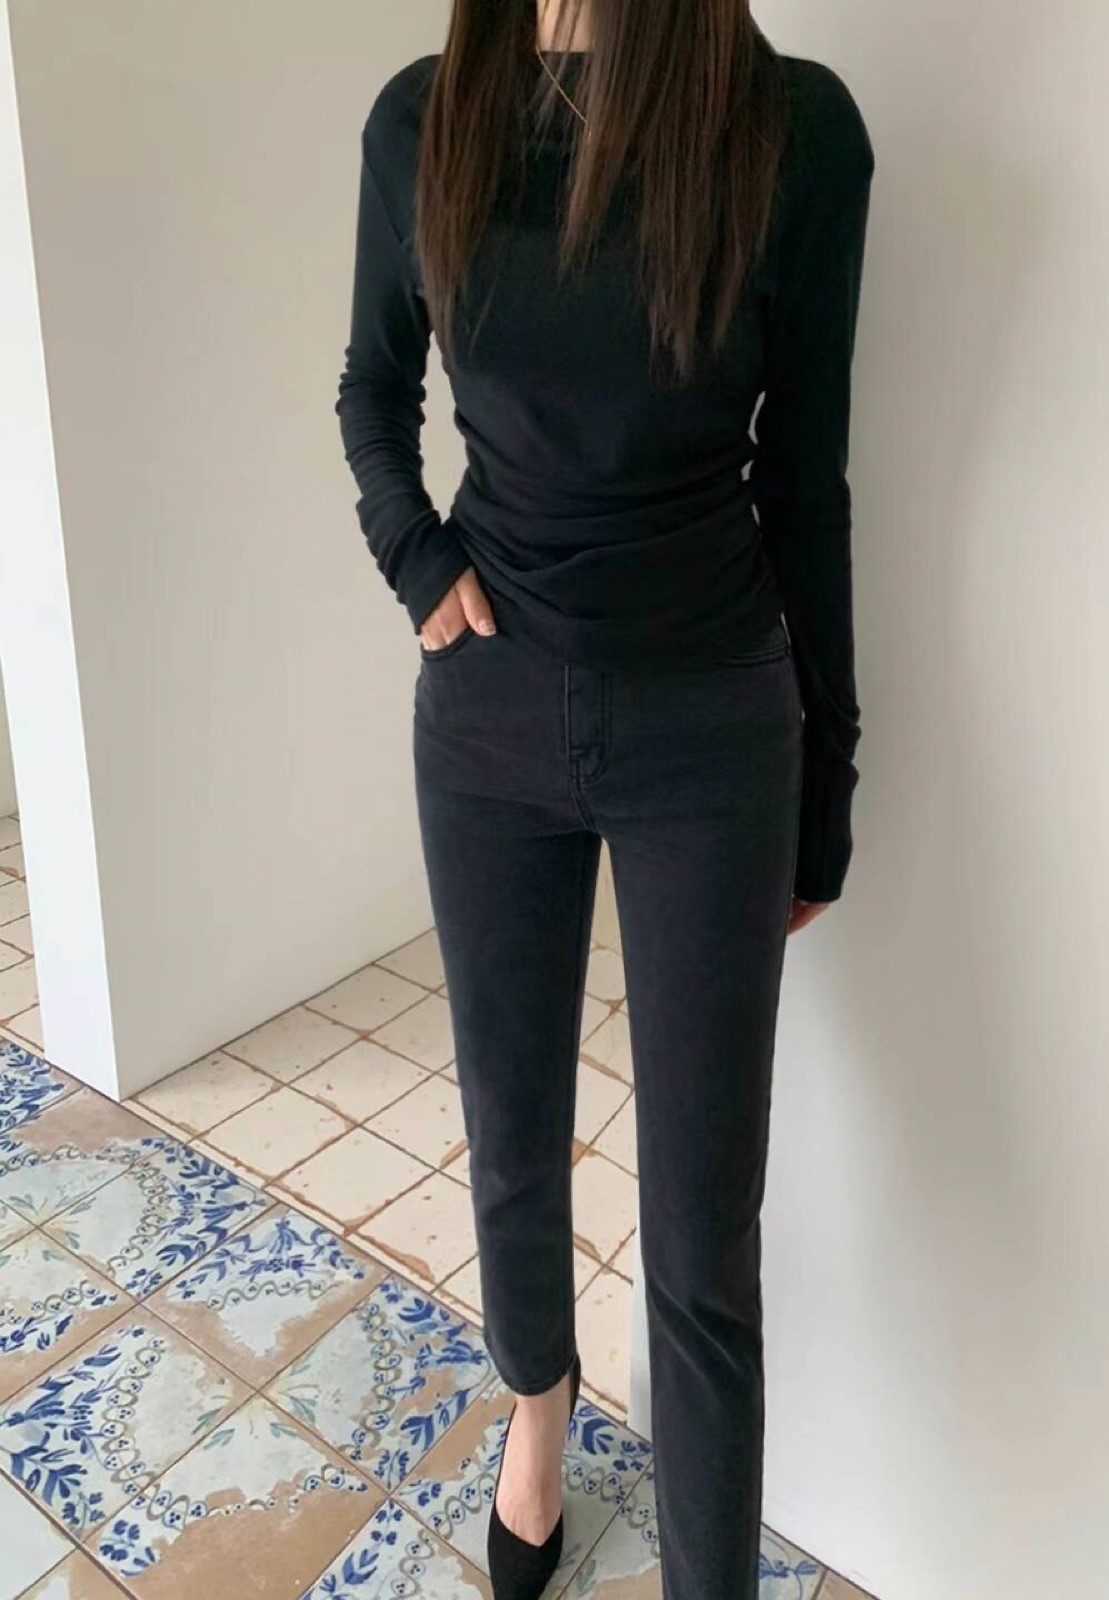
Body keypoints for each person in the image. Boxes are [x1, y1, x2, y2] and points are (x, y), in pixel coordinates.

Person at [335, 1, 874, 1594]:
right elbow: (372, 387)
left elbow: (808, 476)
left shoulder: (793, 125)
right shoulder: (426, 114)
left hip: (713, 726)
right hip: (489, 717)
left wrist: (829, 771)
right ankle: (539, 1408)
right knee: (510, 1138)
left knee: (702, 1235)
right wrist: (417, 559)